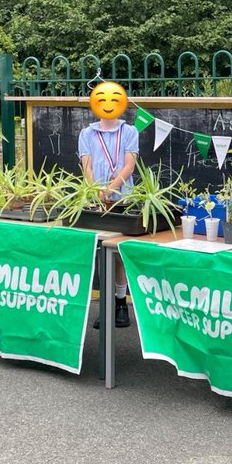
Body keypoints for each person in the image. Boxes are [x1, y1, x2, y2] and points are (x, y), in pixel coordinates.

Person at [79, 81, 139, 329]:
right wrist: (97, 191)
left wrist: (111, 189)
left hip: (123, 199)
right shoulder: (87, 133)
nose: (108, 104)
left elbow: (129, 165)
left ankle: (121, 302)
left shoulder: (130, 131)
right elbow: (86, 166)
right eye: (102, 99)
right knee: (101, 252)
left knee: (119, 254)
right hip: (96, 200)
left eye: (114, 99)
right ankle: (106, 305)